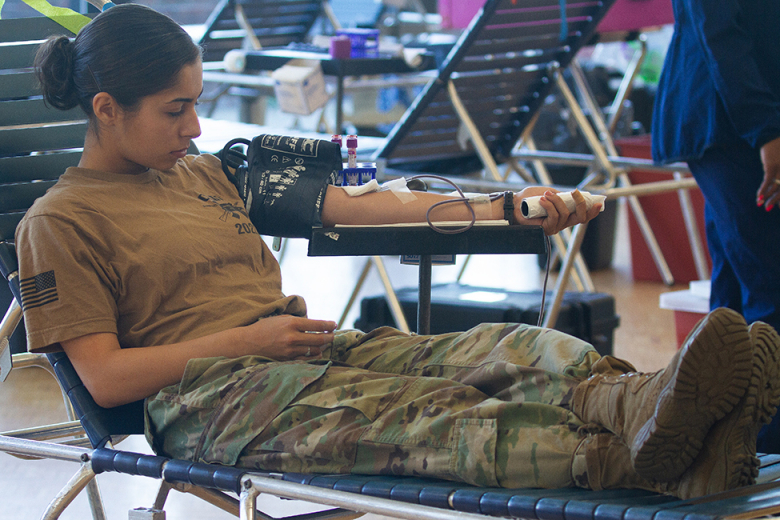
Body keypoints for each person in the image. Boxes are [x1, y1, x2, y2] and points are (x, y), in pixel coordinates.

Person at [19, 3, 780, 501]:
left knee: (502, 348)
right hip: (210, 399)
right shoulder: (61, 222)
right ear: (106, 110)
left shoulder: (210, 170)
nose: (193, 127)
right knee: (430, 417)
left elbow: (361, 200)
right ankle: (635, 460)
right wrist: (246, 340)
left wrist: (505, 208)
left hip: (310, 352)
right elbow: (103, 375)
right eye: (175, 110)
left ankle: (646, 405)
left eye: (197, 105)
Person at [651, 0, 780, 454]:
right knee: (770, 289)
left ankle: (717, 448)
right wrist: (766, 131)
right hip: (731, 124)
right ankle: (764, 453)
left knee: (734, 298)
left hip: (742, 120)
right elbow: (720, 34)